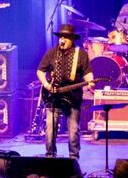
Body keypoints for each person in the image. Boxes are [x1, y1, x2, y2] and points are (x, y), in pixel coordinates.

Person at [37, 24, 95, 160]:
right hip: (53, 96)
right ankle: (50, 156)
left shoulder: (81, 54)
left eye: (66, 37)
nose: (62, 40)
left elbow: (88, 73)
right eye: (61, 37)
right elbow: (40, 71)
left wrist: (90, 81)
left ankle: (73, 158)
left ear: (72, 39)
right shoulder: (52, 52)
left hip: (73, 97)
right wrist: (46, 84)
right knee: (50, 129)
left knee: (73, 131)